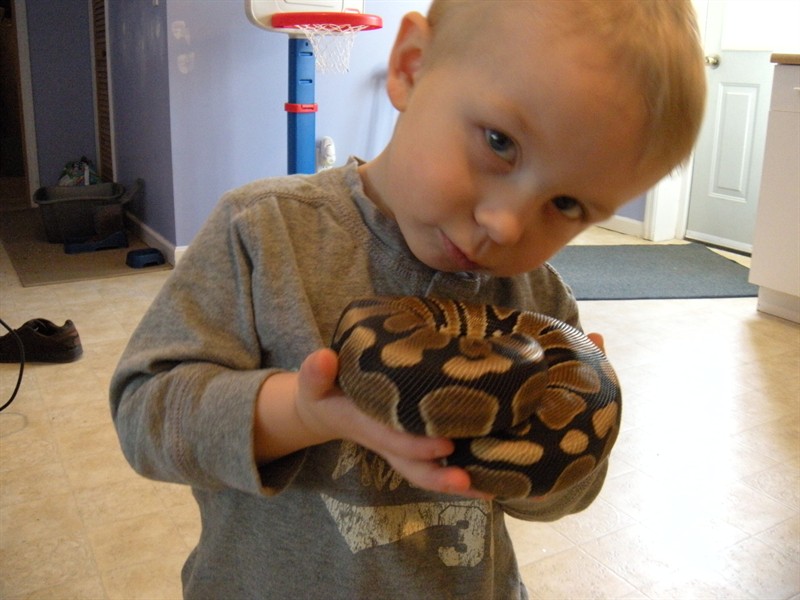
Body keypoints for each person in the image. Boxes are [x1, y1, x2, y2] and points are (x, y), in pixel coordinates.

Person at [110, 1, 705, 597]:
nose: (505, 224)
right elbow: (144, 418)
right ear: (411, 68)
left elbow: (565, 494)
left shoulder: (541, 303)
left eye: (567, 204)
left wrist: (575, 421)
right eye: (500, 143)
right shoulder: (263, 232)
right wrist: (303, 414)